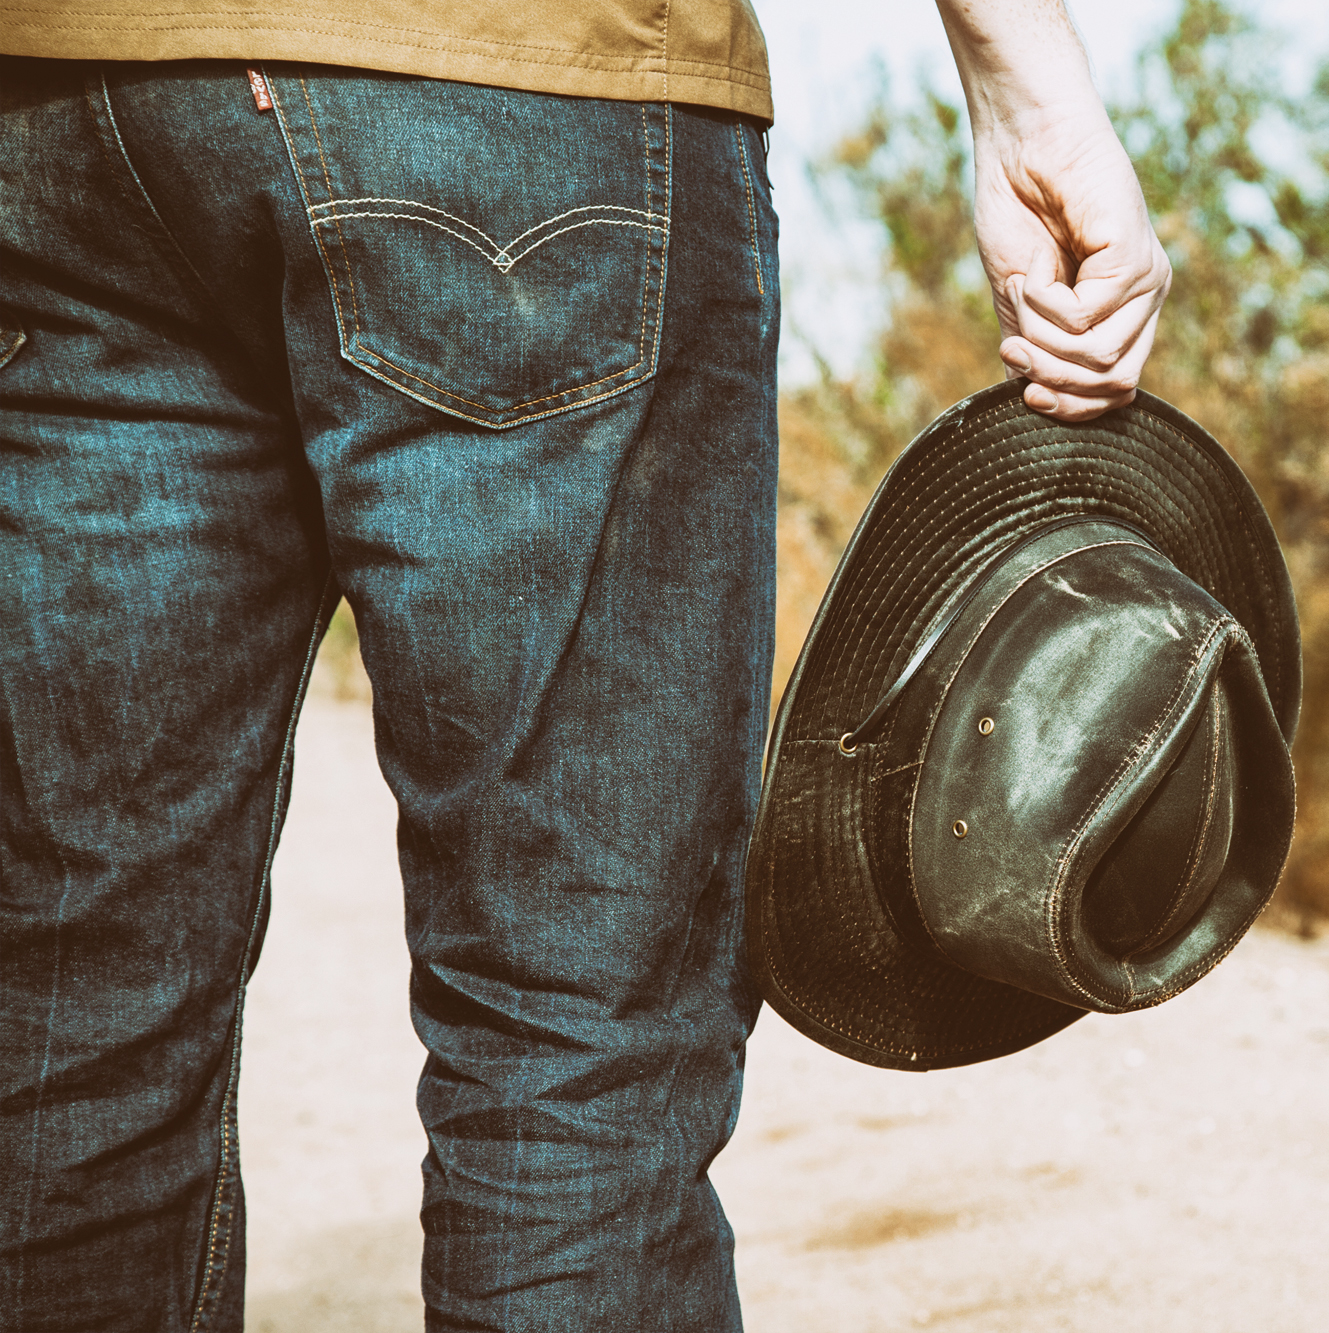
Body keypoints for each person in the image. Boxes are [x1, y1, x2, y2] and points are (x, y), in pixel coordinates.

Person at [0, 1, 1170, 1328]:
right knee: (571, 1028)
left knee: (70, 1015)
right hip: (527, 85)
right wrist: (1029, 79)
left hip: (68, 97)